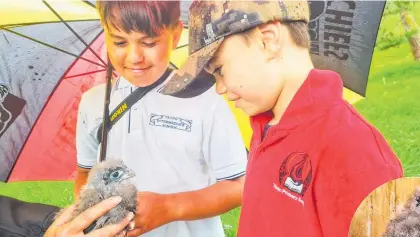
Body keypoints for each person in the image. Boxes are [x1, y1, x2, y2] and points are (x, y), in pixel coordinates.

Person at [160, 0, 404, 236]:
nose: (220, 88)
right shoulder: (265, 128)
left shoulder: (354, 150)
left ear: (268, 40)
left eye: (220, 70)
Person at [75, 1, 247, 237]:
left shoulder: (205, 98)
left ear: (175, 35)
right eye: (119, 42)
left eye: (149, 42)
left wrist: (169, 208)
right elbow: (85, 173)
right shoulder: (93, 102)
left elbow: (239, 186)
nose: (135, 57)